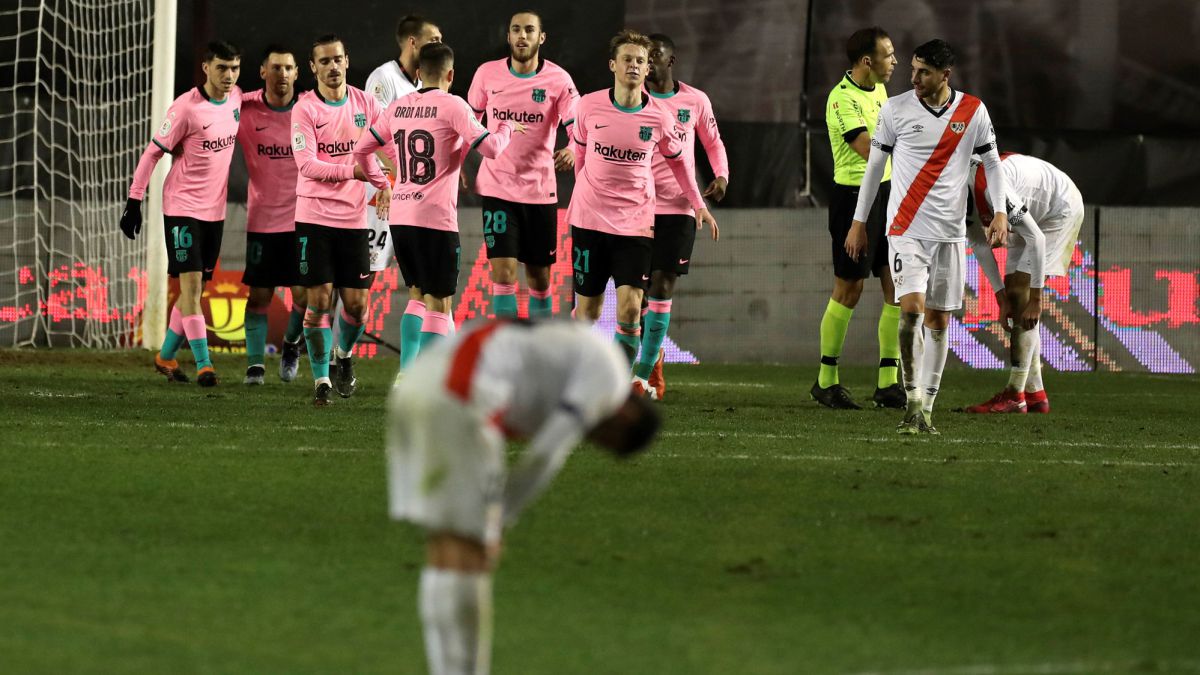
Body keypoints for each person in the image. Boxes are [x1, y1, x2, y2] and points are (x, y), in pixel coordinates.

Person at [386, 319, 661, 675]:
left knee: (445, 546)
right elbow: (546, 453)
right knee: (470, 551)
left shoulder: (577, 352)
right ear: (627, 413)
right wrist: (498, 519)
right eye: (607, 438)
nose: (594, 439)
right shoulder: (608, 380)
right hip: (462, 391)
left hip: (417, 386)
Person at [846, 39, 1008, 434]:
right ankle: (912, 400)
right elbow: (874, 168)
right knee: (911, 312)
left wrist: (1000, 211)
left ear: (944, 75)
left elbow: (992, 162)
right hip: (905, 229)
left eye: (923, 72)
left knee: (938, 321)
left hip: (950, 233)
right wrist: (858, 221)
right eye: (912, 70)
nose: (913, 78)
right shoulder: (895, 109)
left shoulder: (973, 111)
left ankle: (927, 410)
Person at [354, 43, 523, 363]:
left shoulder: (399, 106)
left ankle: (408, 374)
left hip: (401, 215)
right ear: (451, 74)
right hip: (435, 218)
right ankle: (427, 378)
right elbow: (492, 149)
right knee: (440, 302)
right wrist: (507, 127)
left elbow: (362, 149)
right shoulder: (453, 106)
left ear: (418, 74)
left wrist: (383, 179)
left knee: (417, 295)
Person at [568, 30, 718, 367]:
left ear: (648, 69)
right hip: (589, 221)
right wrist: (585, 193)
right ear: (613, 65)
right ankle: (578, 373)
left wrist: (698, 204)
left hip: (635, 224)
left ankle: (624, 385)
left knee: (632, 307)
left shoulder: (659, 118)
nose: (634, 65)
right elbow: (579, 154)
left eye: (640, 61)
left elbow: (681, 165)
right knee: (587, 311)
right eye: (627, 59)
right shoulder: (588, 105)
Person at [121, 40, 243, 387]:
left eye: (234, 68)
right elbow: (152, 153)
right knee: (190, 289)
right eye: (222, 68)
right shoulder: (185, 109)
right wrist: (134, 200)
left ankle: (165, 356)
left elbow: (260, 105)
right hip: (183, 208)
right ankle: (205, 365)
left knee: (198, 289)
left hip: (214, 212)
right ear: (206, 68)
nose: (229, 75)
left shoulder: (236, 100)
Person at [633, 32, 729, 400]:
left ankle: (647, 374)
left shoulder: (694, 100)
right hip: (635, 208)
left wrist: (721, 177)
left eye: (654, 55)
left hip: (678, 208)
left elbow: (713, 143)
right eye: (642, 56)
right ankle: (645, 362)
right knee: (636, 294)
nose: (647, 63)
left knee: (663, 285)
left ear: (670, 61)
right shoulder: (629, 102)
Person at [466, 10, 579, 321]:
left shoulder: (558, 79)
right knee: (502, 275)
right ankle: (507, 351)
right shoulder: (487, 74)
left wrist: (571, 149)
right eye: (516, 29)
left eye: (529, 30)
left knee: (540, 281)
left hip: (540, 192)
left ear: (541, 37)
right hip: (498, 188)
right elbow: (467, 123)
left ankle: (538, 353)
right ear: (508, 36)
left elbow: (577, 126)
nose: (522, 35)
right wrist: (459, 166)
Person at [291, 34, 383, 405]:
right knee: (319, 299)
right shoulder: (306, 109)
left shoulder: (367, 103)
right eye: (324, 61)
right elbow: (307, 165)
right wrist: (356, 172)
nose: (332, 67)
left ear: (347, 61)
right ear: (313, 67)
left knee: (358, 305)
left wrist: (388, 181)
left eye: (337, 60)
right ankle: (321, 381)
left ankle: (343, 357)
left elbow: (387, 145)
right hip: (313, 216)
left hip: (354, 219)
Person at [814, 27, 902, 410]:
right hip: (853, 201)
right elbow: (871, 151)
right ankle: (826, 379)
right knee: (849, 290)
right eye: (889, 55)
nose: (895, 62)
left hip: (886, 196)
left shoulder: (879, 91)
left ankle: (888, 382)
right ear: (868, 61)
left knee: (896, 285)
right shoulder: (841, 99)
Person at [963, 152, 1084, 414]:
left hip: (1057, 208)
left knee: (1022, 293)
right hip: (1029, 209)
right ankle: (1035, 394)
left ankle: (1015, 394)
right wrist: (1000, 298)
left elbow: (1037, 239)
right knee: (1015, 295)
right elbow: (978, 244)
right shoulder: (953, 188)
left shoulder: (991, 191)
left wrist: (1037, 301)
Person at [236, 45, 307, 385]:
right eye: (275, 68)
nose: (282, 74)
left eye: (288, 68)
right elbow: (213, 116)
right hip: (263, 220)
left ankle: (291, 344)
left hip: (304, 218)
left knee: (306, 295)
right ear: (263, 72)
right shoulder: (245, 107)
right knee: (260, 295)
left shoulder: (309, 108)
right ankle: (255, 365)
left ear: (297, 73)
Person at [364, 15, 441, 280]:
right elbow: (375, 140)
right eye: (434, 40)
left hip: (410, 192)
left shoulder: (423, 82)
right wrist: (395, 179)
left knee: (420, 276)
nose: (439, 45)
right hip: (380, 194)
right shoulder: (383, 79)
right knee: (361, 278)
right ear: (412, 42)